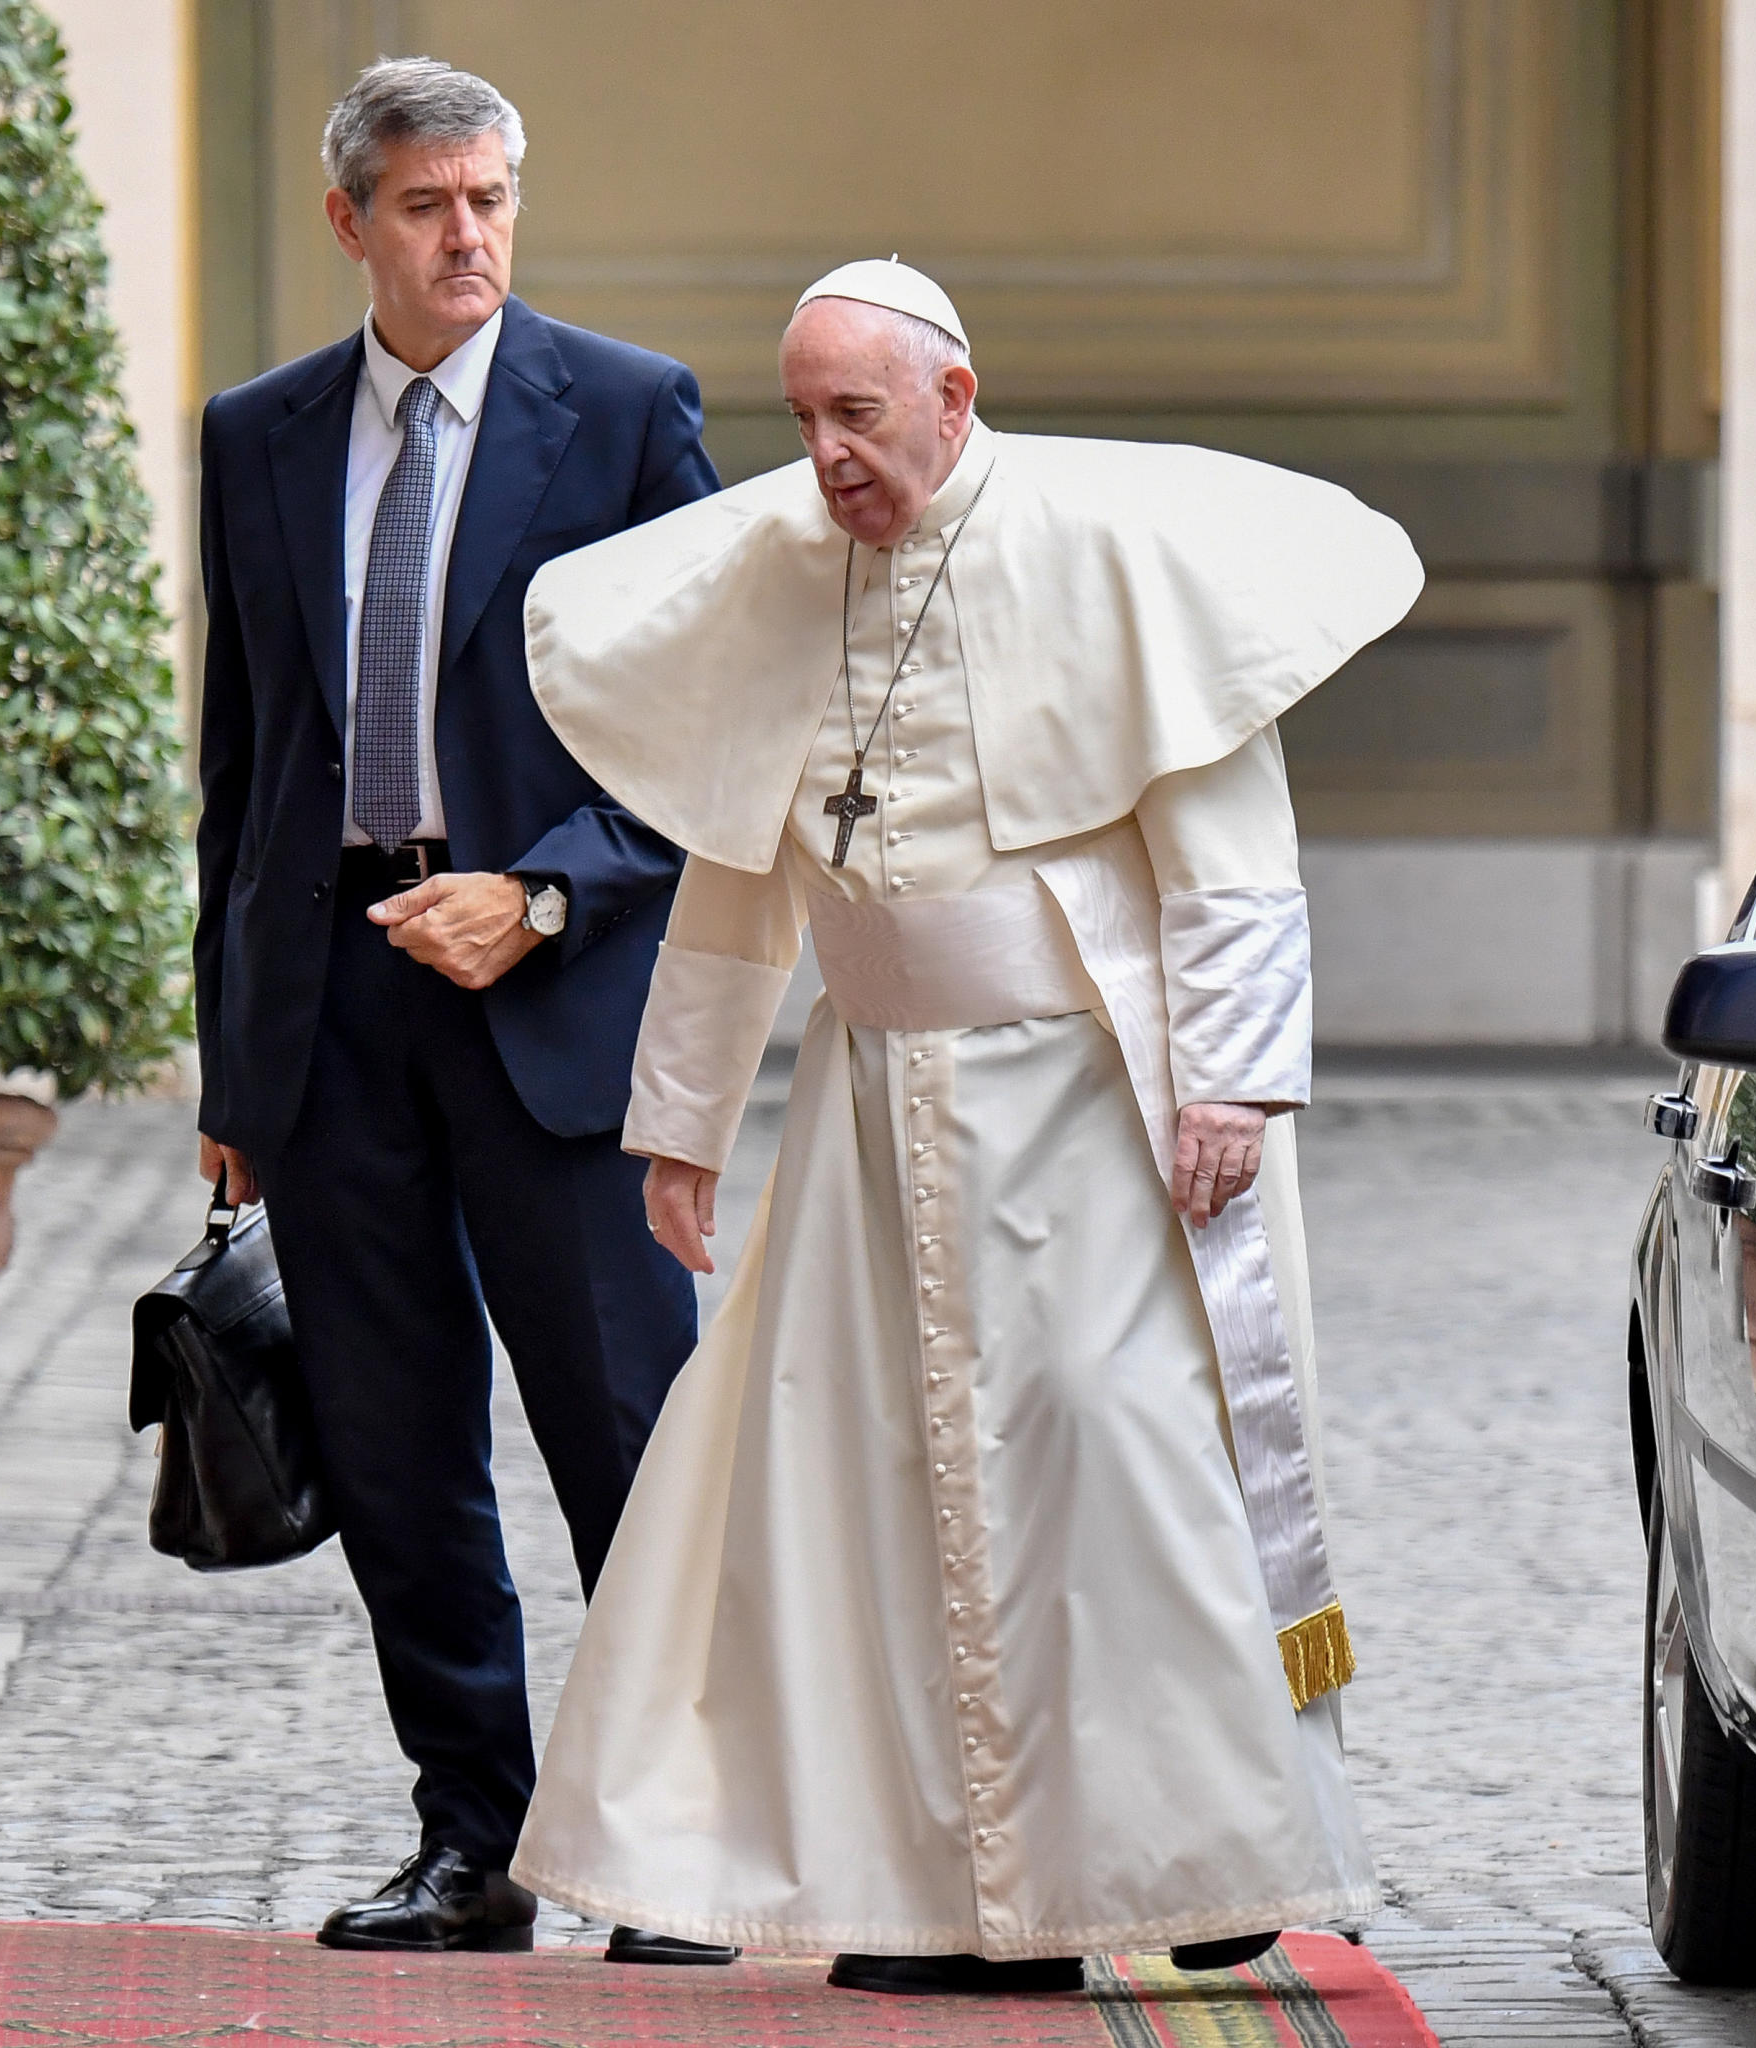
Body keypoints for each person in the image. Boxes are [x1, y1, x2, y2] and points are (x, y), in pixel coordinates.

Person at [505, 260, 1422, 1994]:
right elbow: (735, 866)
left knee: (1116, 1458)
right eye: (805, 417)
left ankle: (1194, 1863)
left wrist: (1228, 1075)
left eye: (859, 413)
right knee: (878, 1487)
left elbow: (1228, 844)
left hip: (1096, 1098)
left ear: (956, 395)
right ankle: (955, 1903)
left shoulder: (1106, 558)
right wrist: (683, 1120)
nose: (828, 455)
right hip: (877, 1112)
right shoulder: (786, 570)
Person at [189, 58, 731, 1963]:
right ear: (351, 223)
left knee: (624, 1429)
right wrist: (232, 1064)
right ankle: (471, 1842)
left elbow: (717, 732)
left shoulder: (628, 417)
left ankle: (674, 1847)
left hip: (548, 994)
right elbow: (238, 765)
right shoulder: (257, 434)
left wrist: (553, 888)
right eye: (428, 207)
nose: (470, 238)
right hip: (332, 1005)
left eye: (493, 198)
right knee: (401, 1445)